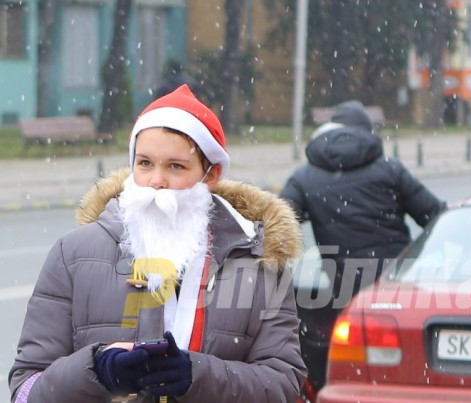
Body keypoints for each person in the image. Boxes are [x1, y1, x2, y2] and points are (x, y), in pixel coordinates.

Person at [9, 85, 307, 402]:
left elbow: (285, 386)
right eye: (145, 163)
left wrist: (199, 376)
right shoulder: (73, 253)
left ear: (211, 174)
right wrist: (97, 372)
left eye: (175, 166)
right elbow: (26, 390)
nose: (156, 181)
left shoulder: (261, 261)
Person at [280, 100, 445, 389]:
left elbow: (277, 226)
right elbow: (436, 216)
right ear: (367, 134)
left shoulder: (304, 177)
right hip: (401, 285)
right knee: (408, 371)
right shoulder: (390, 168)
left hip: (351, 292)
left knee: (357, 373)